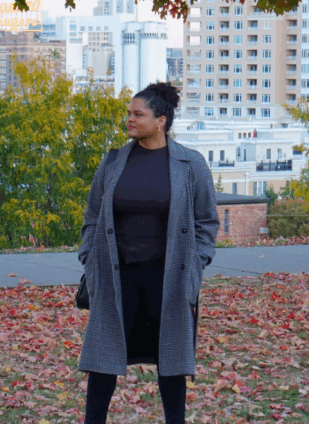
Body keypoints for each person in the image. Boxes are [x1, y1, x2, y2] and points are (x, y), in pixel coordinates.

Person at [77, 82, 219, 424]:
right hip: (117, 276)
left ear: (161, 121)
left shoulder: (191, 164)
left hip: (168, 277)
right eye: (129, 113)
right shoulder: (112, 161)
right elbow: (93, 216)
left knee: (171, 362)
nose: (129, 119)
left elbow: (207, 222)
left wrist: (195, 267)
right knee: (102, 361)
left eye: (138, 114)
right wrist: (90, 260)